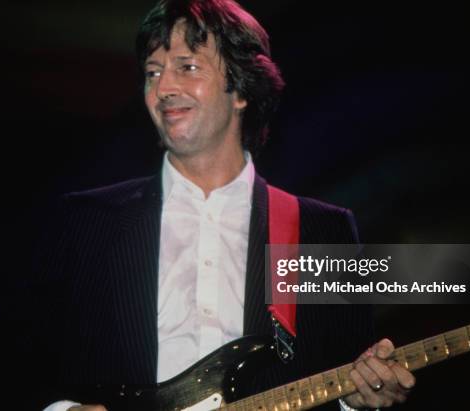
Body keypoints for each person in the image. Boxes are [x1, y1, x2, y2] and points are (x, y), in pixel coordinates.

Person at [30, 1, 416, 410]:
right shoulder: (88, 221)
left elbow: (351, 377)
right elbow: (17, 363)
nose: (162, 89)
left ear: (242, 90)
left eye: (187, 67)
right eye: (153, 72)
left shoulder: (323, 229)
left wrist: (361, 399)